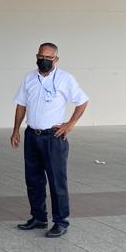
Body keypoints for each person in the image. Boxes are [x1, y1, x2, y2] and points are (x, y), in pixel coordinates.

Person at [11, 42, 89, 238]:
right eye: (41, 57)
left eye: (48, 57)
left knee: (56, 181)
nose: (44, 60)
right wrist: (16, 130)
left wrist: (70, 124)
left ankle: (61, 221)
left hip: (53, 138)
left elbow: (82, 101)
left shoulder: (65, 79)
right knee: (33, 180)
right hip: (32, 135)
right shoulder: (29, 78)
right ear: (37, 56)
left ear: (56, 59)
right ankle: (38, 217)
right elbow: (21, 105)